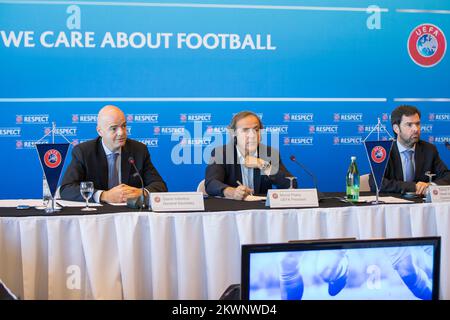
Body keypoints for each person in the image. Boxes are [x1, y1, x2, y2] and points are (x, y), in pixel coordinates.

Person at [60, 105, 167, 203]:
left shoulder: (139, 150)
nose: (121, 132)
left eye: (124, 126)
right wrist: (104, 195)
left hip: (130, 214)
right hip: (97, 217)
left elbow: (160, 186)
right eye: (114, 128)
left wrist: (141, 192)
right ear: (100, 131)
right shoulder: (84, 152)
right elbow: (66, 189)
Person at [205, 111, 294, 200]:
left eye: (256, 130)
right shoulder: (221, 153)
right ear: (233, 134)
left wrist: (262, 164)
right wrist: (232, 192)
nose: (252, 135)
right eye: (245, 130)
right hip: (232, 208)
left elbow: (290, 185)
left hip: (261, 209)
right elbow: (211, 183)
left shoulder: (270, 153)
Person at [369, 105, 450, 195]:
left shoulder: (429, 149)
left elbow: (447, 176)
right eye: (409, 125)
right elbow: (375, 183)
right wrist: (413, 187)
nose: (416, 129)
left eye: (418, 124)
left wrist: (430, 185)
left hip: (421, 206)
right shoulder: (384, 151)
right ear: (396, 129)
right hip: (393, 206)